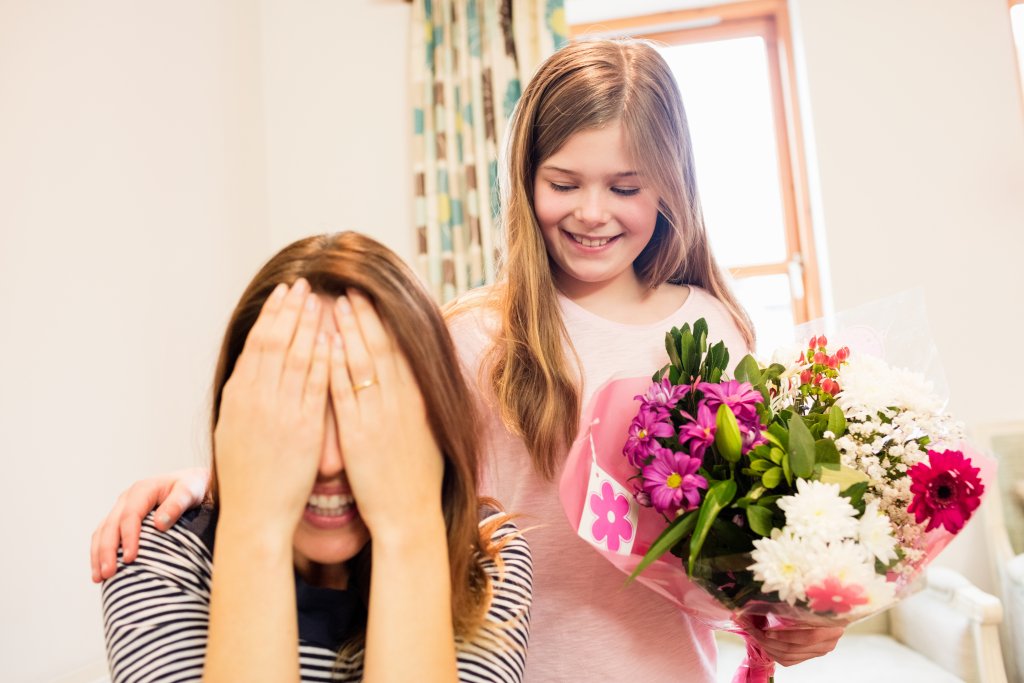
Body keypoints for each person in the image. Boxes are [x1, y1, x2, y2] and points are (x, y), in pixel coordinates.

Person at [92, 40, 840, 681]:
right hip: (488, 656)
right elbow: (361, 442)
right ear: (525, 181)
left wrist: (800, 605)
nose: (591, 212)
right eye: (563, 183)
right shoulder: (472, 335)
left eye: (625, 186)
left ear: (671, 187)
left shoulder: (714, 328)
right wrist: (218, 477)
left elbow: (746, 524)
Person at [97, 232, 532, 683]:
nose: (327, 462)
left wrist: (406, 530)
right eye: (296, 407)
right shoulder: (157, 553)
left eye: (360, 405)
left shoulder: (486, 561)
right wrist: (254, 527)